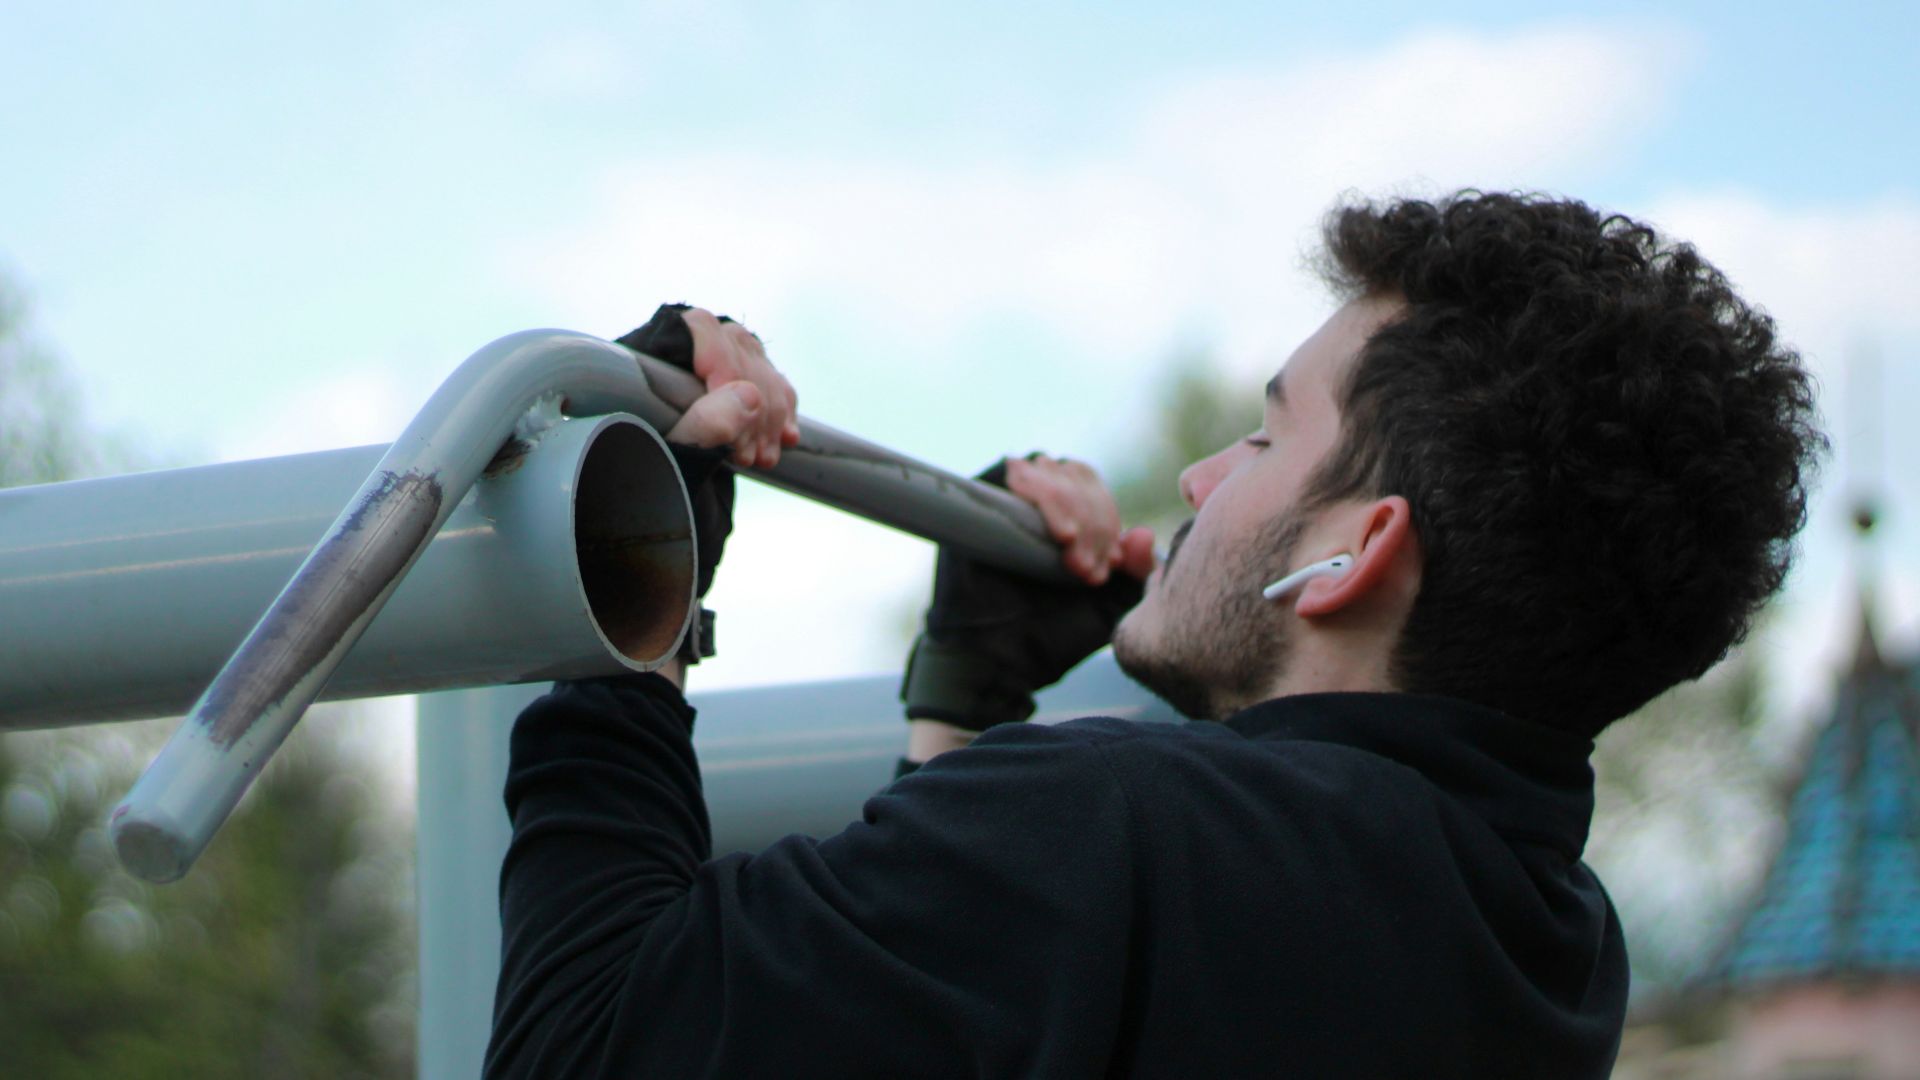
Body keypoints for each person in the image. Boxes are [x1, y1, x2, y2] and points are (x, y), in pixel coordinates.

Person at [485, 192, 1825, 1077]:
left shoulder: (1122, 824)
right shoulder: (1552, 941)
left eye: (1264, 435)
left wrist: (635, 573)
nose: (1196, 482)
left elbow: (582, 1045)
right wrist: (969, 705)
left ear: (1358, 553)